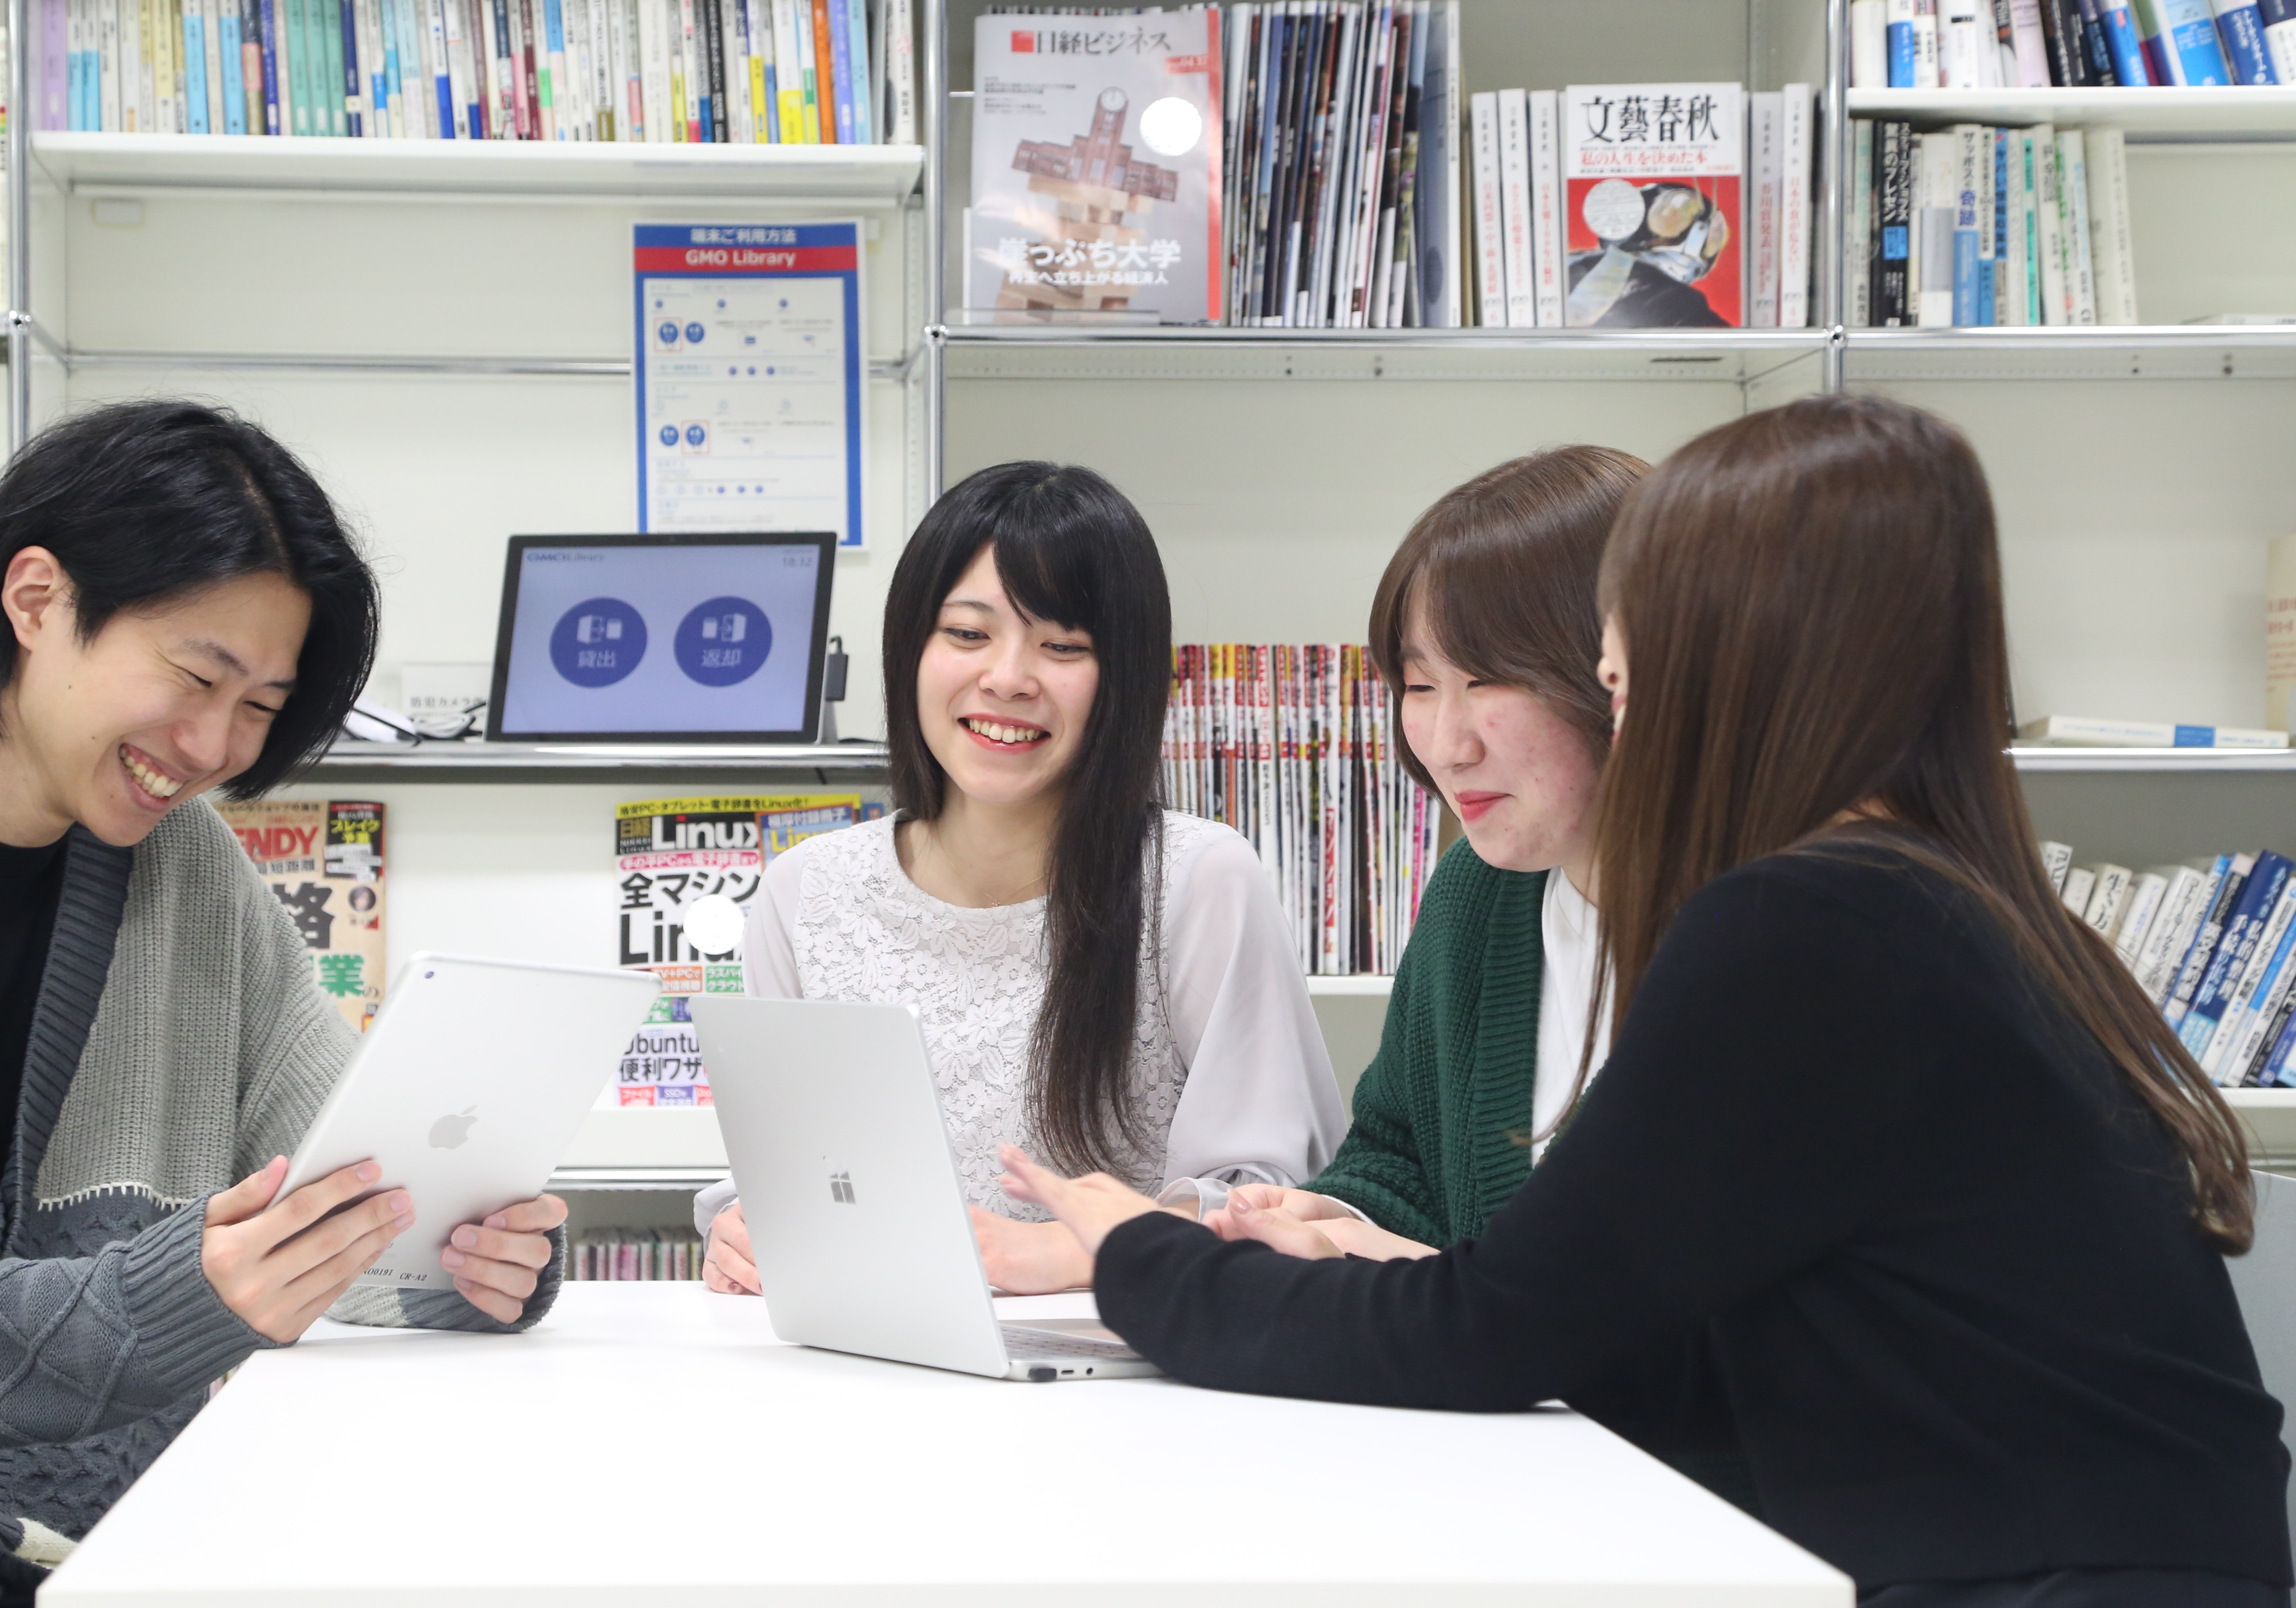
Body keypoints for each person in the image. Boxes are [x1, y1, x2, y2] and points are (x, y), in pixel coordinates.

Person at [1003, 395, 2293, 1605]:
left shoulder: (1809, 922)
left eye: (1618, 684)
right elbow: (1650, 1328)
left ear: (1722, 671)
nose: (1452, 736)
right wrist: (1380, 1255)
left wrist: (1142, 1257)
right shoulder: (1934, 894)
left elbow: (1493, 1336)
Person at [0, 402, 567, 1608]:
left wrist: (468, 1259)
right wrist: (168, 1301)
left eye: (262, 706)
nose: (215, 746)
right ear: (35, 600)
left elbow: (328, 1191)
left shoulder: (189, 868)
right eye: (198, 675)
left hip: (108, 1520)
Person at [699, 460, 1345, 1297]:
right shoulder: (804, 893)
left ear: (1123, 676)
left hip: (1129, 1357)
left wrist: (1074, 1255)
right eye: (968, 634)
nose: (1007, 678)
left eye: (1063, 645)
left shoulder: (1197, 880)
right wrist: (744, 1231)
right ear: (910, 647)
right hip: (872, 1351)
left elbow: (1271, 1205)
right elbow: (783, 1173)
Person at [1238, 446, 1647, 1265]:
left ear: (1617, 671)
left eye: (1491, 681)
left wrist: (1430, 1284)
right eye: (1420, 688)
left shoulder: (1771, 928)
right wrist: (1332, 1215)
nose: (1448, 747)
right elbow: (1401, 1161)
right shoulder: (1478, 892)